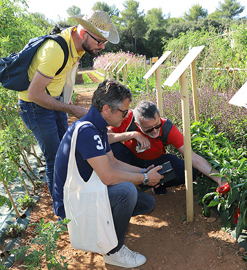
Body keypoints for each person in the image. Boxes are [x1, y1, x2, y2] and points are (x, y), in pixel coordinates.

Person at [52, 80, 163, 268]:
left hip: (84, 195)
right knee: (127, 192)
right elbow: (109, 176)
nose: (126, 116)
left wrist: (145, 172)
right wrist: (144, 179)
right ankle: (113, 251)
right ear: (106, 109)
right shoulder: (87, 131)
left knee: (145, 202)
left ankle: (104, 229)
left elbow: (113, 162)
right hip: (72, 208)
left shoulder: (97, 127)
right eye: (123, 111)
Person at [18, 10, 118, 196]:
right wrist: (71, 108)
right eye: (100, 41)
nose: (103, 47)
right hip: (35, 106)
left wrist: (65, 98)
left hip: (53, 100)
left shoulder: (78, 46)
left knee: (68, 151)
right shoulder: (55, 50)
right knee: (54, 157)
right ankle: (62, 210)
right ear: (83, 33)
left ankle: (71, 196)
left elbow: (63, 75)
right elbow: (34, 94)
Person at [108, 100, 228, 195]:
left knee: (187, 171)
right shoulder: (127, 119)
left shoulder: (168, 128)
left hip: (156, 163)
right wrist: (133, 134)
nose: (155, 131)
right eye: (148, 129)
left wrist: (219, 178)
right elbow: (104, 138)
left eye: (157, 125)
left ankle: (157, 184)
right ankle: (128, 185)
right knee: (114, 148)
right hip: (132, 162)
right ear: (137, 124)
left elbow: (192, 157)